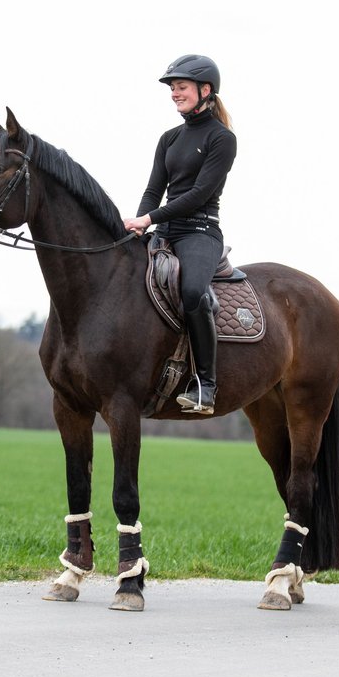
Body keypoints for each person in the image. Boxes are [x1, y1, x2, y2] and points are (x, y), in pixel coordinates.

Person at [123, 54, 237, 414]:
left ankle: (206, 384)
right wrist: (139, 219)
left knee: (192, 291)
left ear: (205, 90)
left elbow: (199, 194)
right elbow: (154, 188)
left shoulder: (222, 139)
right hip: (165, 229)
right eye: (172, 88)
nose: (174, 93)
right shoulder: (169, 138)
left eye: (181, 86)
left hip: (200, 231)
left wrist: (150, 217)